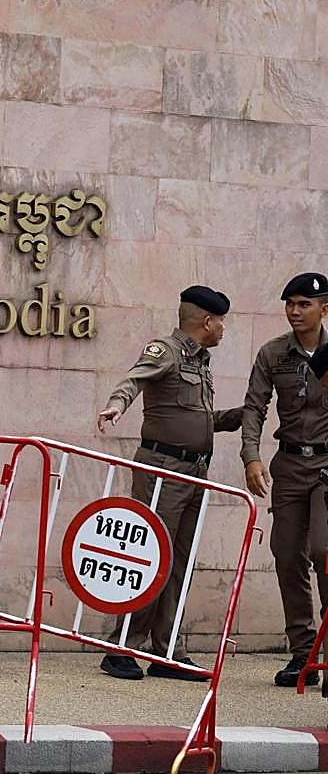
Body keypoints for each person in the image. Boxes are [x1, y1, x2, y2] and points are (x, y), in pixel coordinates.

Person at [95, 285, 243, 682]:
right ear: (208, 322)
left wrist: (243, 415)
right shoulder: (166, 351)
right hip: (162, 467)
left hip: (194, 471)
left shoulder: (202, 362)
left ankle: (167, 652)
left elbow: (196, 419)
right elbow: (134, 379)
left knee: (179, 561)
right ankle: (121, 647)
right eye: (221, 322)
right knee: (149, 557)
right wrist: (116, 405)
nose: (223, 329)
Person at [241, 273, 328, 688]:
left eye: (303, 305)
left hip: (327, 467)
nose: (294, 311)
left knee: (324, 550)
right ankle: (303, 653)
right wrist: (252, 457)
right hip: (289, 467)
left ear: (323, 309)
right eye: (289, 304)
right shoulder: (273, 353)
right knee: (288, 555)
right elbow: (254, 408)